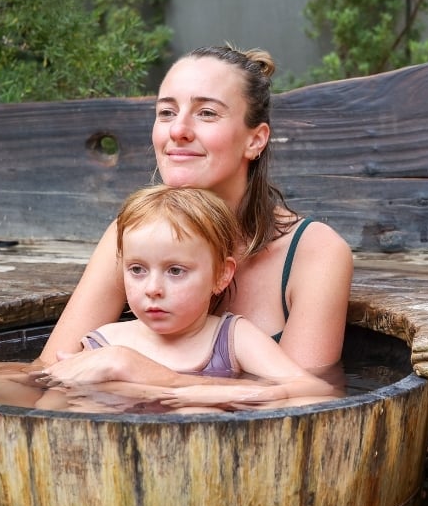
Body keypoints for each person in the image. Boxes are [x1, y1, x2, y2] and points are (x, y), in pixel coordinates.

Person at [37, 44, 353, 382]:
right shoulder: (132, 233)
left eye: (206, 113)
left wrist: (135, 369)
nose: (178, 130)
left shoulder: (315, 253)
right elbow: (47, 374)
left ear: (255, 140)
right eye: (167, 113)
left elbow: (306, 406)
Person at [29, 184, 340, 410]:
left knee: (196, 412)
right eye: (137, 269)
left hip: (207, 470)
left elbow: (314, 389)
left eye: (175, 271)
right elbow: (47, 413)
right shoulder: (104, 343)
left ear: (221, 275)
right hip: (119, 470)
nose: (153, 288)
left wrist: (216, 394)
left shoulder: (232, 339)